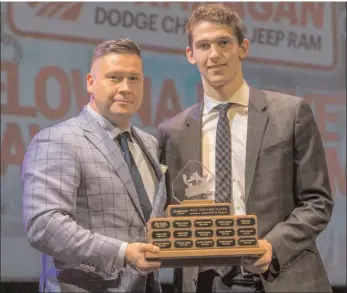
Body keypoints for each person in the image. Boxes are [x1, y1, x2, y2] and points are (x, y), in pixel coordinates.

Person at [157, 4, 334, 293]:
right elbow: (168, 210)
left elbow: (318, 201)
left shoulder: (290, 113)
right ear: (191, 55)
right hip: (205, 282)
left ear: (243, 47)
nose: (214, 54)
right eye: (203, 45)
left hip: (280, 275)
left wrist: (271, 247)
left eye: (224, 42)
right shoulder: (172, 132)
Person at [22, 38, 166, 293]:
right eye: (114, 77)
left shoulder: (149, 144)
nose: (126, 88)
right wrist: (123, 253)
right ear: (90, 82)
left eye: (134, 79)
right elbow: (44, 225)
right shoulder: (58, 140)